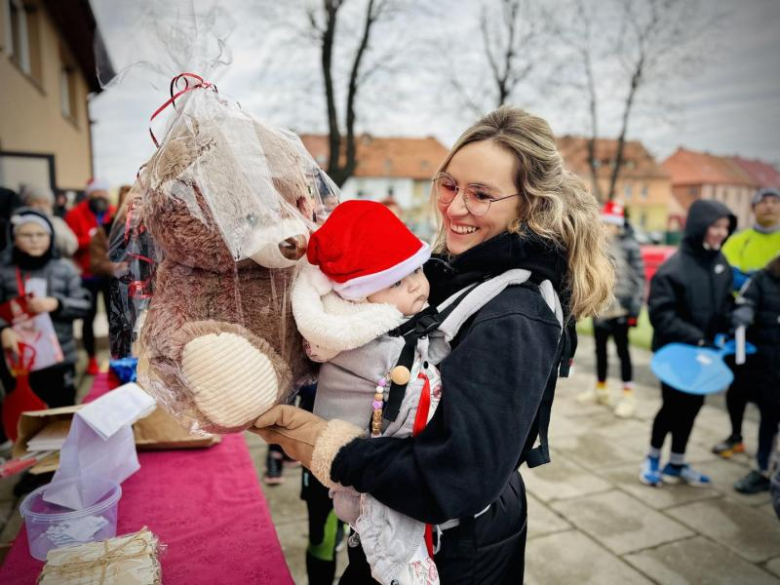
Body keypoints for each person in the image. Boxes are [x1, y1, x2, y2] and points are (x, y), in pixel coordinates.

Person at [252, 106, 614, 584]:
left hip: (455, 552)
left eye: (481, 194)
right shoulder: (457, 268)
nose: (456, 207)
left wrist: (330, 447)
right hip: (410, 523)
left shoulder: (515, 316)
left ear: (529, 204)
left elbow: (454, 477)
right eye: (450, 185)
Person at [640, 199, 736, 487]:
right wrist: (697, 338)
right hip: (677, 354)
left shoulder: (721, 263)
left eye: (725, 227)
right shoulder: (674, 268)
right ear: (699, 226)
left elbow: (724, 304)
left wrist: (734, 318)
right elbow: (661, 314)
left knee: (693, 407)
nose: (721, 232)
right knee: (672, 408)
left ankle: (677, 463)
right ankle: (653, 458)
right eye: (715, 226)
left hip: (707, 356)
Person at [713, 187, 780, 458]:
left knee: (772, 397)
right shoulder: (738, 241)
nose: (769, 206)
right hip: (742, 329)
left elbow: (744, 279)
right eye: (763, 202)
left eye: (775, 202)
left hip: (774, 333)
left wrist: (750, 278)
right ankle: (736, 436)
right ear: (753, 208)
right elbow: (730, 279)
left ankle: (768, 453)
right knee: (738, 386)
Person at [0, 209, 91, 407]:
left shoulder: (65, 269)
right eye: (27, 234)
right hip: (19, 357)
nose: (34, 240)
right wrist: (3, 329)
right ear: (14, 238)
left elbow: (84, 304)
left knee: (62, 412)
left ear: (50, 237)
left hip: (59, 357)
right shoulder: (4, 270)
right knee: (25, 411)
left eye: (40, 234)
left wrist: (57, 304)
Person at [579, 200, 644, 417]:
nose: (607, 229)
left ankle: (628, 394)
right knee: (599, 350)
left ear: (619, 225)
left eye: (610, 224)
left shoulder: (630, 246)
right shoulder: (598, 246)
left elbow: (638, 277)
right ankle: (601, 389)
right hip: (602, 308)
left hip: (622, 309)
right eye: (603, 224)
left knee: (622, 351)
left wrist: (634, 308)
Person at [730, 254, 780, 494]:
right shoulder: (765, 277)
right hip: (770, 367)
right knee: (769, 420)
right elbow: (746, 301)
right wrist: (743, 316)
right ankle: (764, 469)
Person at [65, 179, 115, 375]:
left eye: (104, 192)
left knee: (115, 317)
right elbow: (72, 243)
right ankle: (92, 359)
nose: (101, 195)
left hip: (109, 273)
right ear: (89, 195)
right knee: (89, 318)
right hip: (87, 275)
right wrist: (94, 238)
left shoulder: (112, 210)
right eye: (97, 192)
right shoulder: (75, 214)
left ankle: (117, 356)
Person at [20, 185, 78, 259]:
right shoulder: (21, 223)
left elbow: (71, 246)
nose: (41, 206)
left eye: (45, 202)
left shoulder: (57, 222)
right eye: (37, 202)